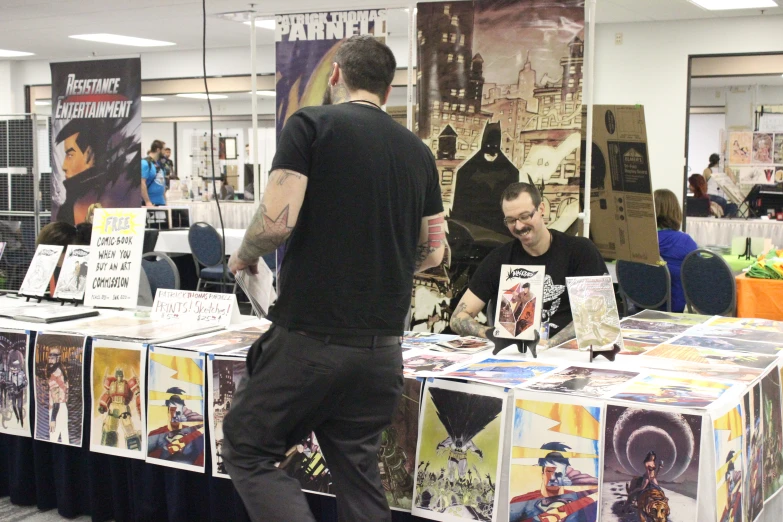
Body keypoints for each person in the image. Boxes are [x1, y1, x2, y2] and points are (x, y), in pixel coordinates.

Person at [222, 35, 445, 522]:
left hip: (309, 342)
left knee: (247, 449)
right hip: (381, 353)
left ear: (337, 73)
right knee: (358, 475)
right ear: (388, 91)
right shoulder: (419, 153)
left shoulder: (310, 125)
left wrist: (243, 254)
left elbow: (277, 221)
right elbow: (434, 251)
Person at [449, 182, 607, 348]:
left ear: (541, 209)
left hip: (569, 352)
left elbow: (595, 315)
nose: (518, 226)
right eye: (510, 220)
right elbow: (458, 318)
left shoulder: (580, 251)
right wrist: (493, 334)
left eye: (525, 216)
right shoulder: (500, 258)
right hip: (517, 355)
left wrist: (549, 344)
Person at [54, 119, 139, 225]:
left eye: (70, 155)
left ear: (89, 155)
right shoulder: (72, 200)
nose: (64, 166)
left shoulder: (91, 199)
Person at [654, 189, 697, 313]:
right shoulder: (685, 242)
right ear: (676, 211)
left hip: (640, 306)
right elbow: (698, 275)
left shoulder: (639, 242)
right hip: (674, 307)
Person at [141, 140, 167, 207]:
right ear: (158, 150)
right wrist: (147, 201)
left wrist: (165, 200)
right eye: (164, 149)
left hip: (161, 202)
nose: (165, 152)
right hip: (150, 203)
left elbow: (162, 183)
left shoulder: (159, 165)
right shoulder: (145, 163)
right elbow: (142, 183)